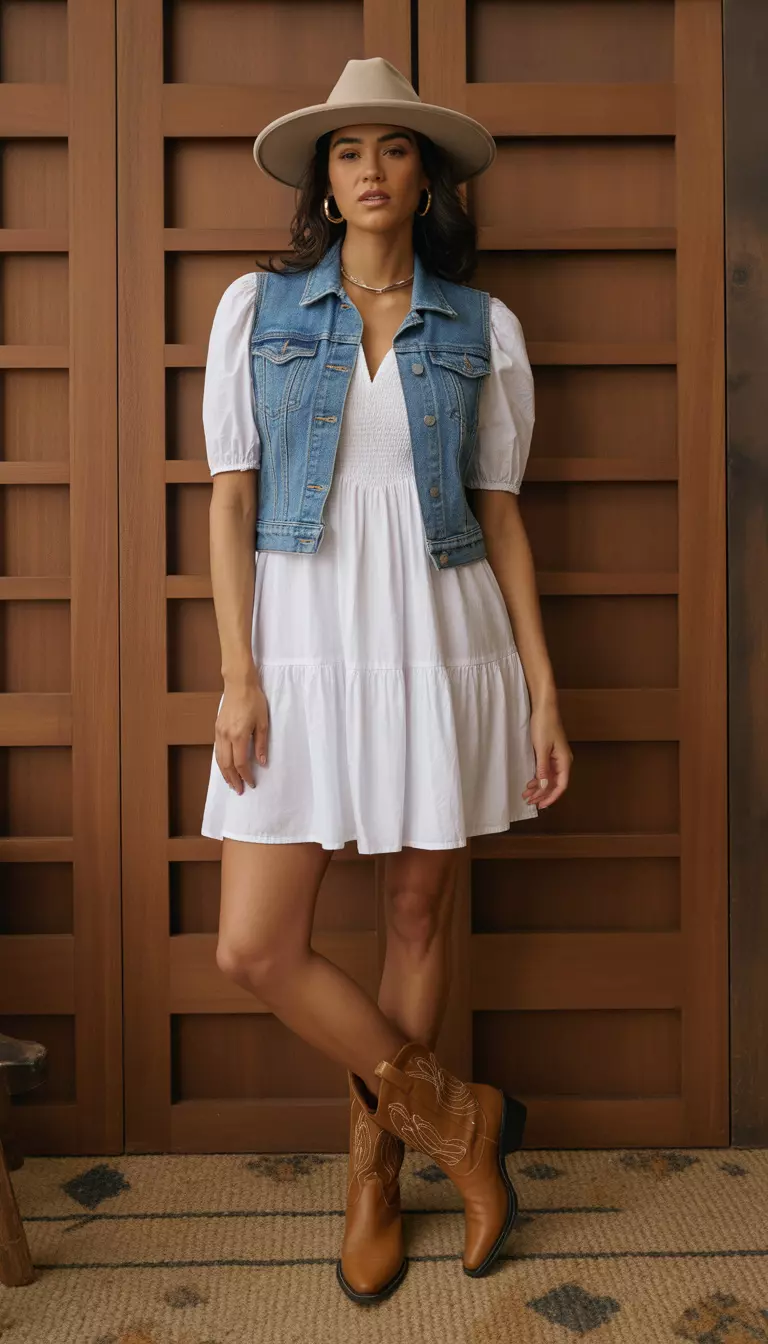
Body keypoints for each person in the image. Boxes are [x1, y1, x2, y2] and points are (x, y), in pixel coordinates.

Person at [200, 57, 572, 1305]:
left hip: (440, 636)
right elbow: (232, 500)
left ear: (426, 181)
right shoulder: (256, 309)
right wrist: (238, 671)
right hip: (300, 647)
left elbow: (501, 515)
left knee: (417, 913)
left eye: (394, 149)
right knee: (255, 946)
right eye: (348, 150)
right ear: (325, 182)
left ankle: (378, 1177)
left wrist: (543, 688)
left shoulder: (482, 328)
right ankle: (465, 1126)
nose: (370, 169)